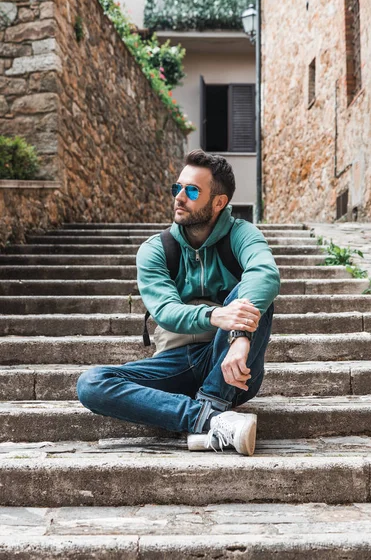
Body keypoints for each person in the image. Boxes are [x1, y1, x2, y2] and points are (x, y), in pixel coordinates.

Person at [77, 149, 280, 456]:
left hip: (233, 368)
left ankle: (211, 405)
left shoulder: (242, 235)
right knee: (91, 383)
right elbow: (166, 312)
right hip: (176, 364)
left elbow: (265, 275)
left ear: (219, 202)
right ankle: (212, 418)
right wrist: (216, 315)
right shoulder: (156, 250)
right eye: (178, 188)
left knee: (252, 292)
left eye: (192, 190)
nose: (179, 197)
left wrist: (238, 337)